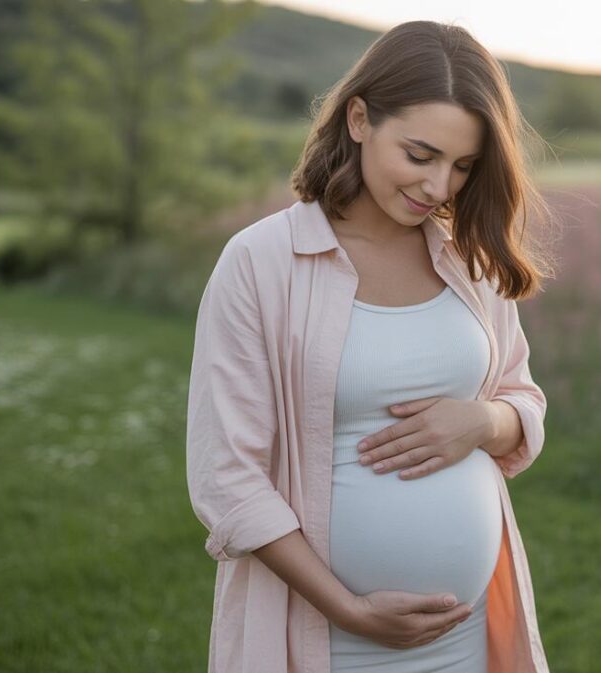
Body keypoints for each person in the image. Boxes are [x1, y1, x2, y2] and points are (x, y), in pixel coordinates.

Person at [185, 20, 557, 673]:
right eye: (420, 155)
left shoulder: (468, 262)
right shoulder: (260, 264)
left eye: (463, 166)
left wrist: (483, 420)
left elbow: (520, 398)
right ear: (359, 118)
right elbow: (228, 477)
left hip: (465, 639)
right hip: (328, 639)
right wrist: (348, 609)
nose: (439, 188)